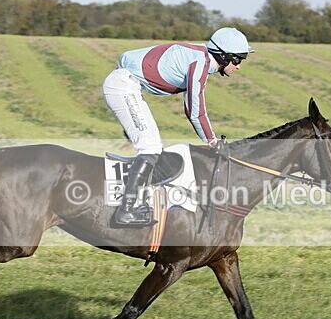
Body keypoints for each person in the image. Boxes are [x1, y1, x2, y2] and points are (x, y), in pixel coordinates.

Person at [102, 27, 254, 225]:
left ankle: (135, 200)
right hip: (124, 86)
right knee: (150, 147)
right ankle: (126, 211)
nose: (238, 66)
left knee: (153, 145)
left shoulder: (201, 58)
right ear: (224, 56)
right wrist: (213, 141)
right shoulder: (200, 63)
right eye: (237, 60)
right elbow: (195, 110)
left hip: (127, 85)